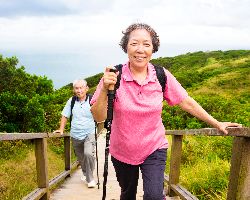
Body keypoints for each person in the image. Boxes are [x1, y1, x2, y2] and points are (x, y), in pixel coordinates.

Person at [90, 23, 241, 200]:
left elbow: (187, 102)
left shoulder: (161, 76)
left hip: (154, 147)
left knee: (154, 196)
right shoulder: (114, 76)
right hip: (122, 149)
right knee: (127, 194)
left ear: (153, 49)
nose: (140, 49)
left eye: (146, 44)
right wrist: (103, 90)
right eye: (134, 43)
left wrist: (216, 123)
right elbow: (99, 116)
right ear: (126, 47)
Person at [54, 79, 96, 188]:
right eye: (76, 88)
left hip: (89, 133)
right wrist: (61, 129)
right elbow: (65, 115)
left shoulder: (92, 100)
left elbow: (100, 113)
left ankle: (90, 179)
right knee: (81, 158)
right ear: (74, 90)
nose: (79, 90)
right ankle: (86, 173)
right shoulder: (71, 101)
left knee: (88, 154)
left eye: (81, 87)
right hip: (76, 134)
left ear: (86, 88)